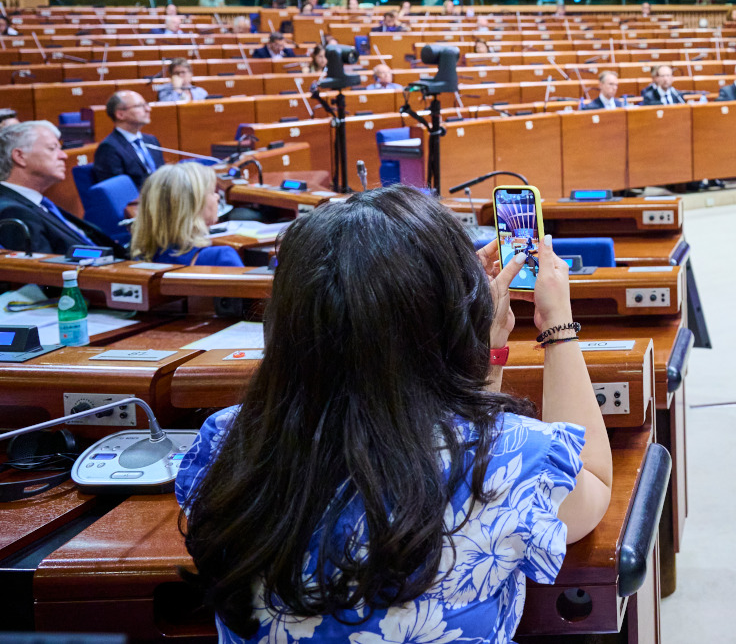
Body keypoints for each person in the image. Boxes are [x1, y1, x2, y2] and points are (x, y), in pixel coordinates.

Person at [177, 190, 612, 644]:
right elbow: (593, 481)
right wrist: (557, 324)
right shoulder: (514, 462)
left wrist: (489, 352)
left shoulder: (225, 443)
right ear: (449, 316)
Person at [0, 122, 119, 254]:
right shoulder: (12, 211)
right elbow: (45, 269)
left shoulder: (38, 203)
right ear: (20, 156)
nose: (64, 155)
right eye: (52, 148)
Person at [130, 162, 243, 267]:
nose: (217, 197)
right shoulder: (220, 258)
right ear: (194, 206)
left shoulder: (141, 260)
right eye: (212, 192)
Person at [93, 90, 162, 188]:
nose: (148, 109)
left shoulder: (151, 140)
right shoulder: (109, 148)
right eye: (139, 106)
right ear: (120, 115)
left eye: (146, 104)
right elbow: (118, 191)